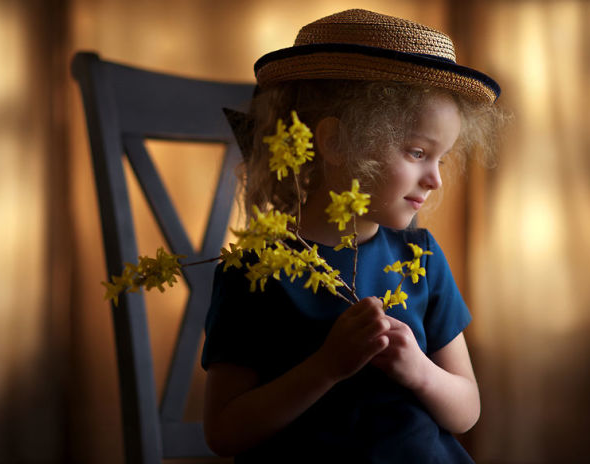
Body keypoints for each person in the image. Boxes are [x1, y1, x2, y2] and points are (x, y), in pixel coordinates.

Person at [201, 9, 504, 463]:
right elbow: (224, 433)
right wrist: (326, 368)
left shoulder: (419, 258)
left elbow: (466, 412)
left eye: (440, 159)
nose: (435, 180)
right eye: (417, 152)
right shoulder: (255, 271)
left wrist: (418, 370)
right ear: (336, 143)